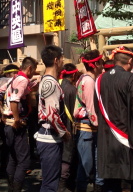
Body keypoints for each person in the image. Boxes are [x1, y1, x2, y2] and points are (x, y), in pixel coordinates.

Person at [94, 46, 133, 192]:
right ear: (130, 61)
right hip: (127, 136)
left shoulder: (100, 80)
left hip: (106, 138)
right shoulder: (131, 79)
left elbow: (96, 107)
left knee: (111, 181)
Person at [36, 45, 71, 192]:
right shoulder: (50, 82)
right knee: (50, 184)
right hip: (49, 137)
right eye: (62, 58)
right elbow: (52, 114)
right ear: (56, 60)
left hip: (48, 136)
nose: (63, 61)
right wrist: (64, 132)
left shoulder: (47, 80)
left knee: (50, 181)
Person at [2, 57, 37, 192]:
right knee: (23, 161)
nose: (33, 73)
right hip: (15, 123)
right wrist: (17, 119)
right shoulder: (22, 80)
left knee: (13, 157)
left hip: (8, 123)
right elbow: (14, 101)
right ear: (29, 68)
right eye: (33, 70)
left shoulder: (15, 79)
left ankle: (11, 188)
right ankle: (16, 189)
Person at [74, 50, 104, 192]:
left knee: (90, 166)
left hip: (86, 128)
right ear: (96, 64)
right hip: (88, 128)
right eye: (101, 63)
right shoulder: (89, 81)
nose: (102, 65)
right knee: (85, 167)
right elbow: (92, 110)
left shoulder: (83, 78)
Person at [59, 63, 79, 192]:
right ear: (74, 75)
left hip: (57, 127)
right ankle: (63, 184)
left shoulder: (58, 85)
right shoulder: (72, 89)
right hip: (69, 127)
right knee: (68, 155)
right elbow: (74, 112)